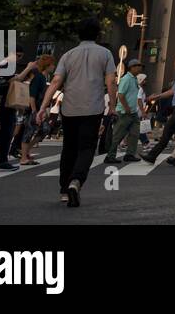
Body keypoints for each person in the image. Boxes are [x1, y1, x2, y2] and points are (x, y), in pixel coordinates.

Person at [37, 18, 118, 207]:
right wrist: (112, 106)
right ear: (98, 34)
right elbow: (111, 82)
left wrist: (43, 107)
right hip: (93, 108)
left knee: (69, 148)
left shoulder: (68, 55)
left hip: (70, 108)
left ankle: (64, 190)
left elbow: (56, 82)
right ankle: (77, 181)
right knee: (87, 148)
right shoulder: (105, 54)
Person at [144, 52, 175, 163]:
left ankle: (152, 156)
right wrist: (157, 97)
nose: (174, 63)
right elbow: (172, 91)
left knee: (167, 132)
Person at [104, 58, 145, 164]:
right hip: (124, 112)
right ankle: (110, 156)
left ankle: (130, 154)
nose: (140, 67)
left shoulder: (134, 79)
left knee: (134, 134)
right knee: (118, 135)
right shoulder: (126, 79)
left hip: (133, 112)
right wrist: (126, 107)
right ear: (132, 67)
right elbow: (121, 95)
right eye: (138, 65)